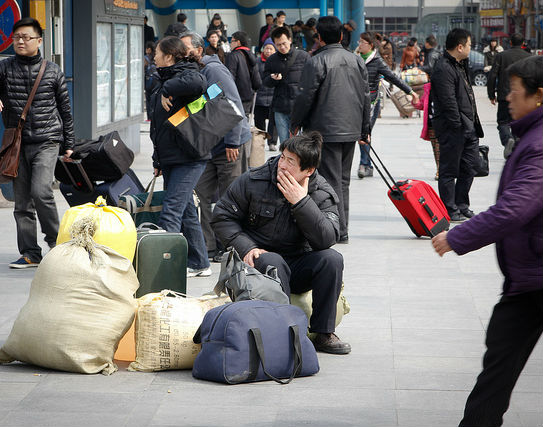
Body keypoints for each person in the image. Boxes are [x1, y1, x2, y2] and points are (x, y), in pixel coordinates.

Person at [432, 55, 543, 427]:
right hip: (529, 277)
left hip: (536, 276)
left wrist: (459, 235)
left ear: (538, 96)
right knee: (499, 358)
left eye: (514, 91)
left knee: (499, 362)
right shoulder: (531, 136)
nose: (507, 97)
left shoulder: (540, 145)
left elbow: (515, 208)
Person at [211, 132, 351, 355]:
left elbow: (327, 238)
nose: (282, 165)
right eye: (283, 157)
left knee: (332, 260)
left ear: (308, 171)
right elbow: (222, 216)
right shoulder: (255, 179)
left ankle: (323, 333)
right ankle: (283, 332)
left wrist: (301, 202)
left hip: (298, 263)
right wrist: (247, 247)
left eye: (291, 162)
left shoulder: (321, 191)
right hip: (258, 262)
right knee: (272, 260)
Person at [0, 17, 74, 269]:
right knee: (22, 202)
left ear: (39, 41)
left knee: (42, 191)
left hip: (47, 139)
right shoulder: (4, 68)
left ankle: (56, 244)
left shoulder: (52, 70)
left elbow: (65, 109)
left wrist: (69, 144)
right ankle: (31, 253)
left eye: (26, 37)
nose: (20, 41)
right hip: (17, 142)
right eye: (17, 37)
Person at [290, 16, 370, 243]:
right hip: (351, 130)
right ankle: (342, 229)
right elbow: (366, 97)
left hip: (325, 131)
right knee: (343, 181)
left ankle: (337, 230)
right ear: (342, 36)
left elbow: (305, 97)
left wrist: (295, 123)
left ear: (320, 37)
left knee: (331, 181)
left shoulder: (316, 61)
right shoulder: (356, 61)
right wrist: (364, 130)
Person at [180, 31, 251, 263]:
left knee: (229, 199)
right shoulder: (197, 71)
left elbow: (232, 104)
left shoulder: (214, 70)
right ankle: (208, 246)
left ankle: (230, 247)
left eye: (186, 49)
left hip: (229, 145)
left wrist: (232, 141)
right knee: (199, 194)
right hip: (210, 146)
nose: (181, 54)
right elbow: (204, 103)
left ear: (199, 51)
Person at [149, 36, 211, 277]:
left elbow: (199, 83)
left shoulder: (186, 73)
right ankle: (199, 262)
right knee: (184, 210)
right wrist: (157, 161)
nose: (153, 56)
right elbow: (158, 127)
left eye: (157, 52)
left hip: (190, 157)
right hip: (171, 157)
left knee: (171, 211)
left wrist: (167, 88)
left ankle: (166, 271)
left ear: (169, 56)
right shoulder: (163, 78)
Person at [431, 28, 483, 223]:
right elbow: (448, 101)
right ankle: (450, 208)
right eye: (469, 45)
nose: (470, 48)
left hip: (468, 126)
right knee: (449, 170)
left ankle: (462, 205)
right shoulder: (443, 67)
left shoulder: (461, 64)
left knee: (470, 167)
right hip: (454, 128)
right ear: (460, 47)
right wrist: (457, 126)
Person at [356, 32, 419, 179]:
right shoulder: (355, 58)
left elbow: (393, 77)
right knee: (362, 133)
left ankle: (363, 164)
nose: (359, 44)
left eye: (362, 42)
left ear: (370, 45)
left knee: (365, 132)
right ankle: (368, 165)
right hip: (357, 102)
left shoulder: (377, 61)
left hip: (372, 102)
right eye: (359, 41)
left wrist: (410, 91)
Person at [263, 26, 309, 146]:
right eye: (278, 45)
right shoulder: (271, 60)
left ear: (290, 39)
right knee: (285, 144)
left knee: (300, 145)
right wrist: (272, 79)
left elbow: (312, 80)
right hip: (280, 107)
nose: (282, 47)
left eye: (284, 43)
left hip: (300, 108)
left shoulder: (303, 57)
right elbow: (265, 82)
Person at [487, 33, 531, 159]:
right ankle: (516, 145)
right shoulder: (529, 57)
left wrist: (491, 94)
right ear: (523, 43)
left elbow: (492, 75)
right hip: (523, 96)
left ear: (510, 43)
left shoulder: (501, 56)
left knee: (503, 122)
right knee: (519, 122)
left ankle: (507, 141)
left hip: (504, 95)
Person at [225, 31, 262, 116]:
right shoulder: (252, 55)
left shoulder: (233, 56)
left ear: (238, 42)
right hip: (248, 98)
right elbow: (257, 83)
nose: (231, 44)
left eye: (232, 41)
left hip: (236, 98)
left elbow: (229, 79)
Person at [255, 38, 278, 150]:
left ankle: (272, 142)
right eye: (266, 48)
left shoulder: (277, 61)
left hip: (274, 96)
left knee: (273, 123)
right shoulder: (257, 61)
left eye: (271, 48)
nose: (268, 51)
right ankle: (260, 141)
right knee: (259, 121)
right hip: (260, 95)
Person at [144, 41, 160, 121]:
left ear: (149, 49)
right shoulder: (156, 57)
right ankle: (154, 115)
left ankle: (149, 117)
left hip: (149, 80)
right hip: (156, 80)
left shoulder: (145, 58)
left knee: (148, 99)